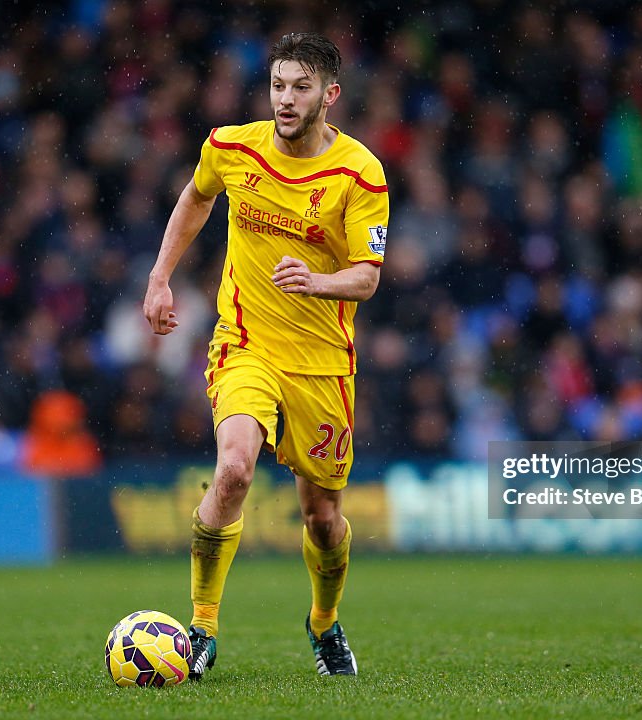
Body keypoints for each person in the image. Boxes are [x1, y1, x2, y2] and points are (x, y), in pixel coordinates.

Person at [142, 32, 388, 679]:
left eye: (300, 87)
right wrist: (160, 277)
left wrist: (318, 281)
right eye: (278, 84)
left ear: (329, 95)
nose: (285, 98)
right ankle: (200, 628)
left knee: (324, 520)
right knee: (233, 470)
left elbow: (367, 276)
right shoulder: (229, 147)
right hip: (245, 343)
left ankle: (324, 625)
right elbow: (197, 196)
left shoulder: (359, 172)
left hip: (322, 362)